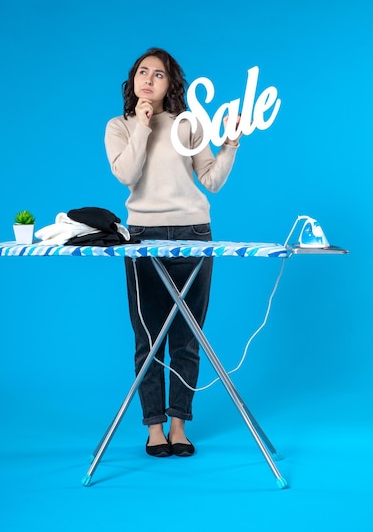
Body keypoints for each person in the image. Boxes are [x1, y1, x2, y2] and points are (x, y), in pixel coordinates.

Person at [105, 47, 240, 457]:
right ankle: (154, 428)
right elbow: (127, 175)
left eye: (158, 74)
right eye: (142, 72)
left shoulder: (189, 123)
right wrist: (143, 125)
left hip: (194, 232)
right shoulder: (119, 126)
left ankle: (179, 425)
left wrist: (230, 145)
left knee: (187, 337)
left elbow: (210, 180)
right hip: (143, 235)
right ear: (133, 81)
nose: (148, 79)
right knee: (148, 337)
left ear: (171, 83)